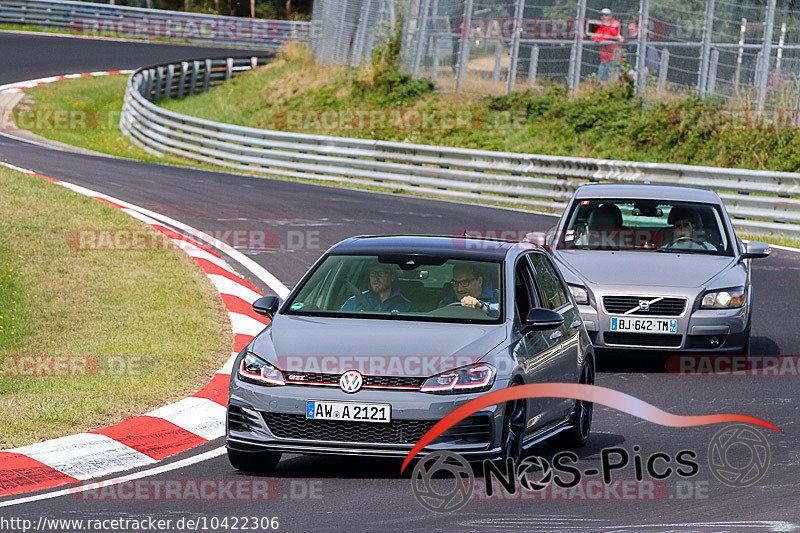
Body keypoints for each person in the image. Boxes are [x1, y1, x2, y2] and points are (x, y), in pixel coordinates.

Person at [341, 263, 416, 313]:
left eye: (381, 273)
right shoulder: (354, 302)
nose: (376, 278)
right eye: (373, 273)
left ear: (392, 277)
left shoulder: (406, 307)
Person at [591, 8, 624, 82]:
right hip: (604, 59)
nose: (603, 17)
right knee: (601, 80)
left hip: (613, 58)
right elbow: (594, 36)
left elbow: (611, 35)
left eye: (605, 15)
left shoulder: (615, 23)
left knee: (612, 81)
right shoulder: (602, 26)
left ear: (610, 16)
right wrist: (602, 38)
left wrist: (602, 38)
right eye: (602, 15)